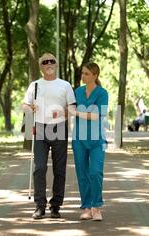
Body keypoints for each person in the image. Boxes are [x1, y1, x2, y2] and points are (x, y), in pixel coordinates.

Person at [22, 53, 76, 219]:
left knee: (59, 169)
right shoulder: (35, 85)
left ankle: (56, 206)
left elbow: (72, 107)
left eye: (52, 61)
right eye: (45, 62)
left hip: (59, 127)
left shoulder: (65, 85)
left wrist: (62, 113)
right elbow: (24, 104)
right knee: (40, 168)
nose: (49, 64)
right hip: (40, 128)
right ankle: (40, 206)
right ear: (41, 67)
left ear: (57, 65)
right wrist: (29, 109)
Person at [70, 62, 109, 221]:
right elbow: (68, 109)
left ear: (95, 75)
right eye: (83, 73)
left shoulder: (102, 93)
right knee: (82, 173)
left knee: (95, 172)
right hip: (79, 139)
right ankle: (86, 207)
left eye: (87, 73)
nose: (83, 76)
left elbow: (97, 115)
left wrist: (76, 112)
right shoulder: (77, 92)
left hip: (96, 140)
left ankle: (96, 206)